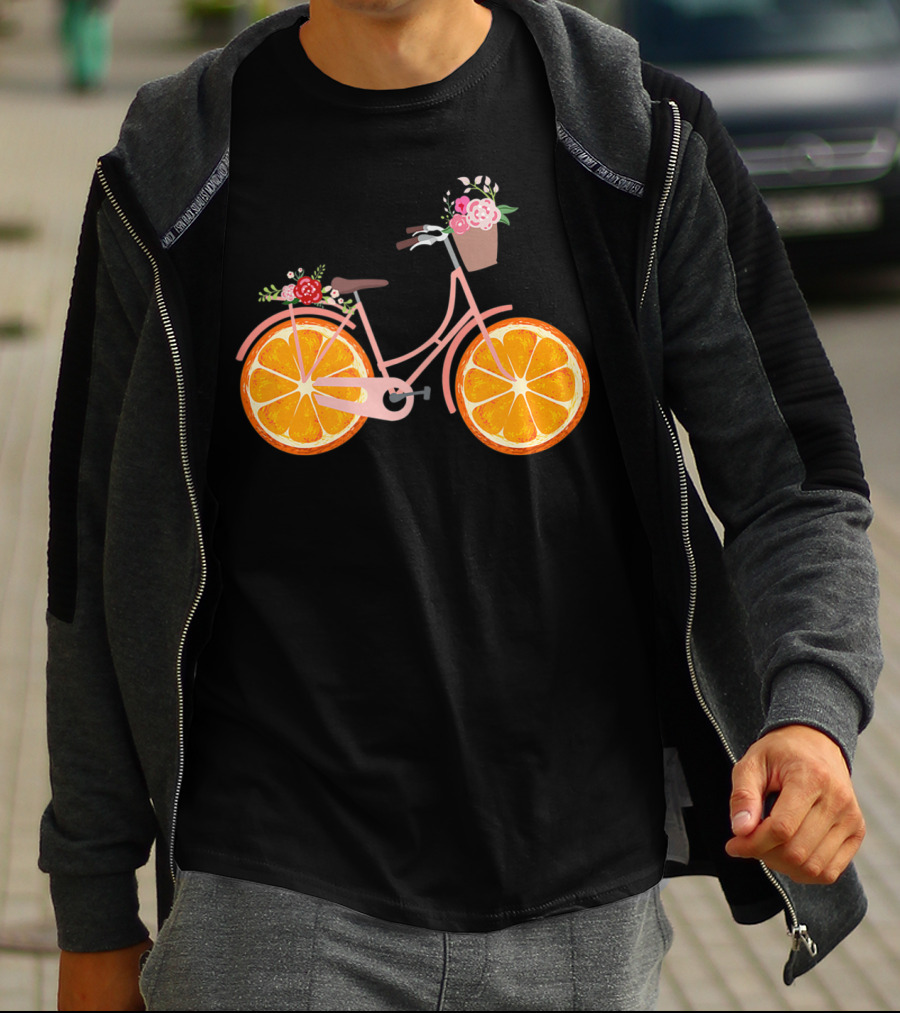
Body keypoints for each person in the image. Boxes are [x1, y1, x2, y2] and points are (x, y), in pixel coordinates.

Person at [41, 0, 881, 1009]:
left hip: (582, 895)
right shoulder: (175, 166)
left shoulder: (634, 136)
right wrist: (93, 908)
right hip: (270, 891)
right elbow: (90, 556)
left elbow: (797, 480)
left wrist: (813, 715)